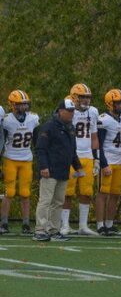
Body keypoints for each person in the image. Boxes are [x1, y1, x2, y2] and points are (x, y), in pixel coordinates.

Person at [33, 99, 83, 241]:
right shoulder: (49, 126)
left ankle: (54, 230)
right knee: (45, 201)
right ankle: (40, 230)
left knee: (58, 202)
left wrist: (78, 166)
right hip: (50, 170)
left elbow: (72, 150)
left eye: (73, 111)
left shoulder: (70, 127)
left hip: (63, 170)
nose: (72, 114)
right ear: (60, 111)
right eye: (69, 111)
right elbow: (40, 148)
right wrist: (44, 166)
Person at [60, 84, 100, 236]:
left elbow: (94, 136)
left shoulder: (93, 111)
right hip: (72, 157)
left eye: (87, 97)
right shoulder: (68, 112)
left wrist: (97, 158)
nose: (86, 100)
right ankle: (65, 225)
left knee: (86, 192)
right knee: (68, 192)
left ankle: (83, 225)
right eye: (82, 97)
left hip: (88, 156)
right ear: (74, 97)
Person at [1, 90, 40, 235]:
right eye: (20, 104)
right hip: (10, 158)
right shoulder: (6, 120)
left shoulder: (33, 118)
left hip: (26, 159)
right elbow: (1, 141)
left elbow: (37, 142)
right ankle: (4, 223)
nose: (24, 107)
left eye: (25, 104)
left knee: (25, 192)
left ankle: (26, 224)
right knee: (9, 192)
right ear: (12, 105)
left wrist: (40, 160)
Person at [95, 89, 121, 236]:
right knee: (103, 193)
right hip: (108, 160)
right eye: (117, 103)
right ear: (110, 103)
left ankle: (109, 224)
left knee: (115, 194)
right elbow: (99, 144)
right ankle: (100, 225)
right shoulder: (103, 119)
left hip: (120, 161)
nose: (120, 105)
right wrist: (103, 164)